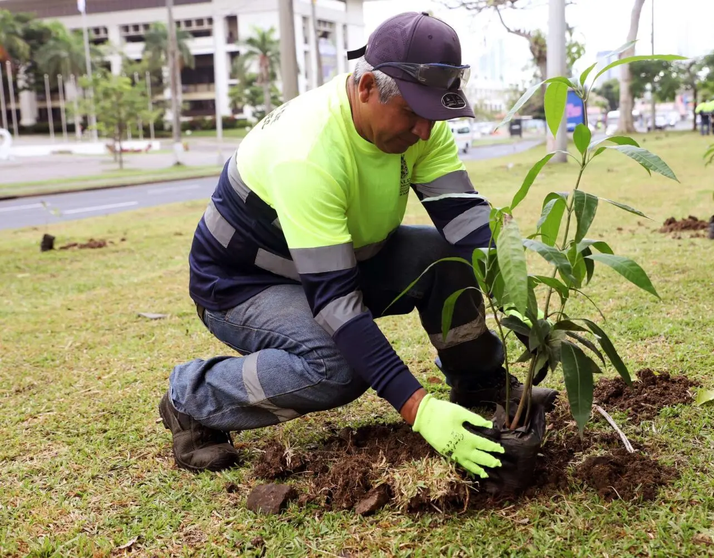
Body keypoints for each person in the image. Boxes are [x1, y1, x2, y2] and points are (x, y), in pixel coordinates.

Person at [157, 11, 557, 477]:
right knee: (338, 368)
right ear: (366, 88)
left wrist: (517, 301)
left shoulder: (422, 125)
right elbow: (337, 305)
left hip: (342, 258)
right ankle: (192, 396)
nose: (425, 131)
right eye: (412, 113)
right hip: (242, 284)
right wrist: (419, 410)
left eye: (433, 113)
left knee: (449, 260)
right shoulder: (308, 153)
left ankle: (479, 385)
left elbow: (465, 223)